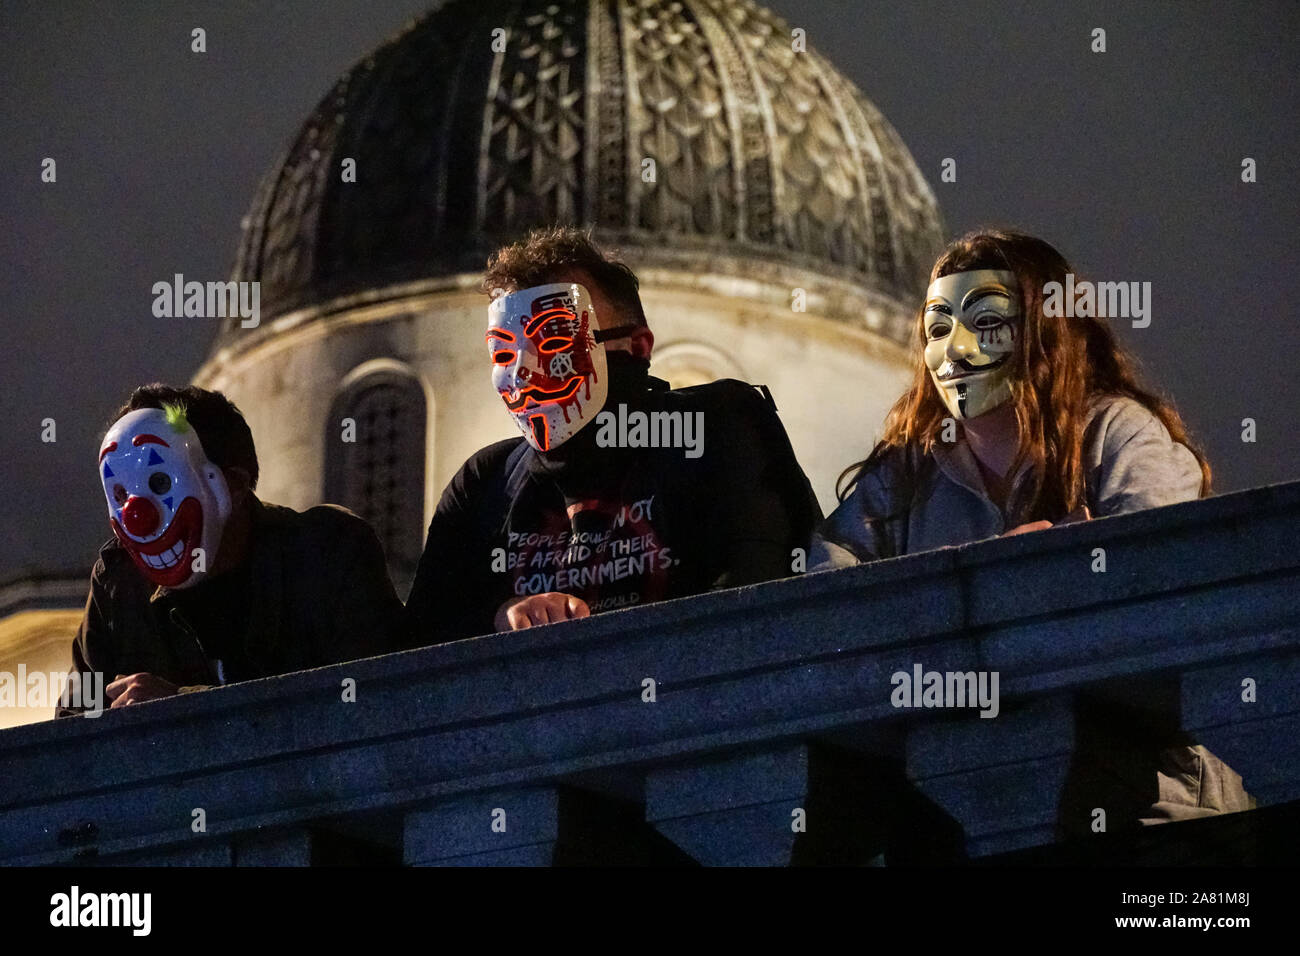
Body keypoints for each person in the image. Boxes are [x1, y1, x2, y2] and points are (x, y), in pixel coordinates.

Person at [811, 228, 1252, 829]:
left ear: (1045, 332)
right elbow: (821, 608)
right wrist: (1000, 583)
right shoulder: (903, 477)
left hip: (1146, 802)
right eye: (938, 328)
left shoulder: (1118, 435)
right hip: (966, 797)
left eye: (986, 321)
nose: (955, 350)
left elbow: (1159, 606)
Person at [407, 226, 819, 643]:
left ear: (637, 347)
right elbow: (414, 645)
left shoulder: (713, 429)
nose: (523, 372)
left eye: (554, 337)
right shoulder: (484, 483)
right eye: (503, 353)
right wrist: (501, 616)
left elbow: (759, 593)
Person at [57, 385, 406, 716]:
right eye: (120, 496)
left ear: (233, 485)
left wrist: (185, 708)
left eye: (160, 483)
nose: (137, 516)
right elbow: (71, 736)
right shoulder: (118, 584)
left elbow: (377, 703)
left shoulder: (329, 553)